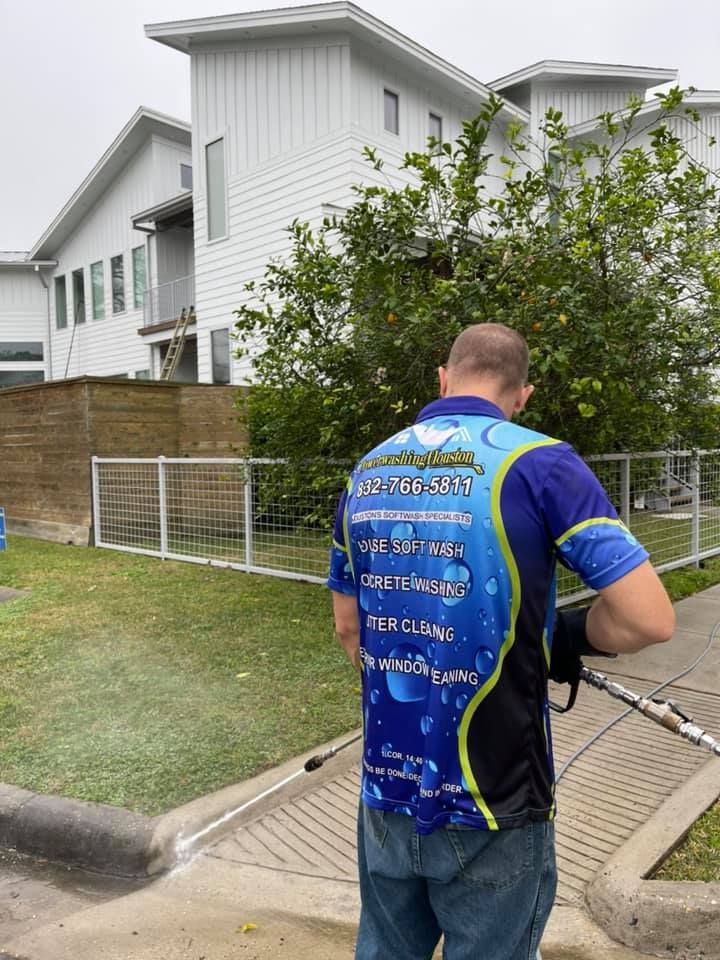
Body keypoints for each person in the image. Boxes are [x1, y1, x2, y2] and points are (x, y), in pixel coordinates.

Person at [327, 322, 675, 960]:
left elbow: (350, 626)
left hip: (386, 788)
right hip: (495, 798)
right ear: (522, 396)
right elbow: (647, 620)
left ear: (443, 377)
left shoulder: (368, 469)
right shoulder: (540, 463)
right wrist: (565, 635)